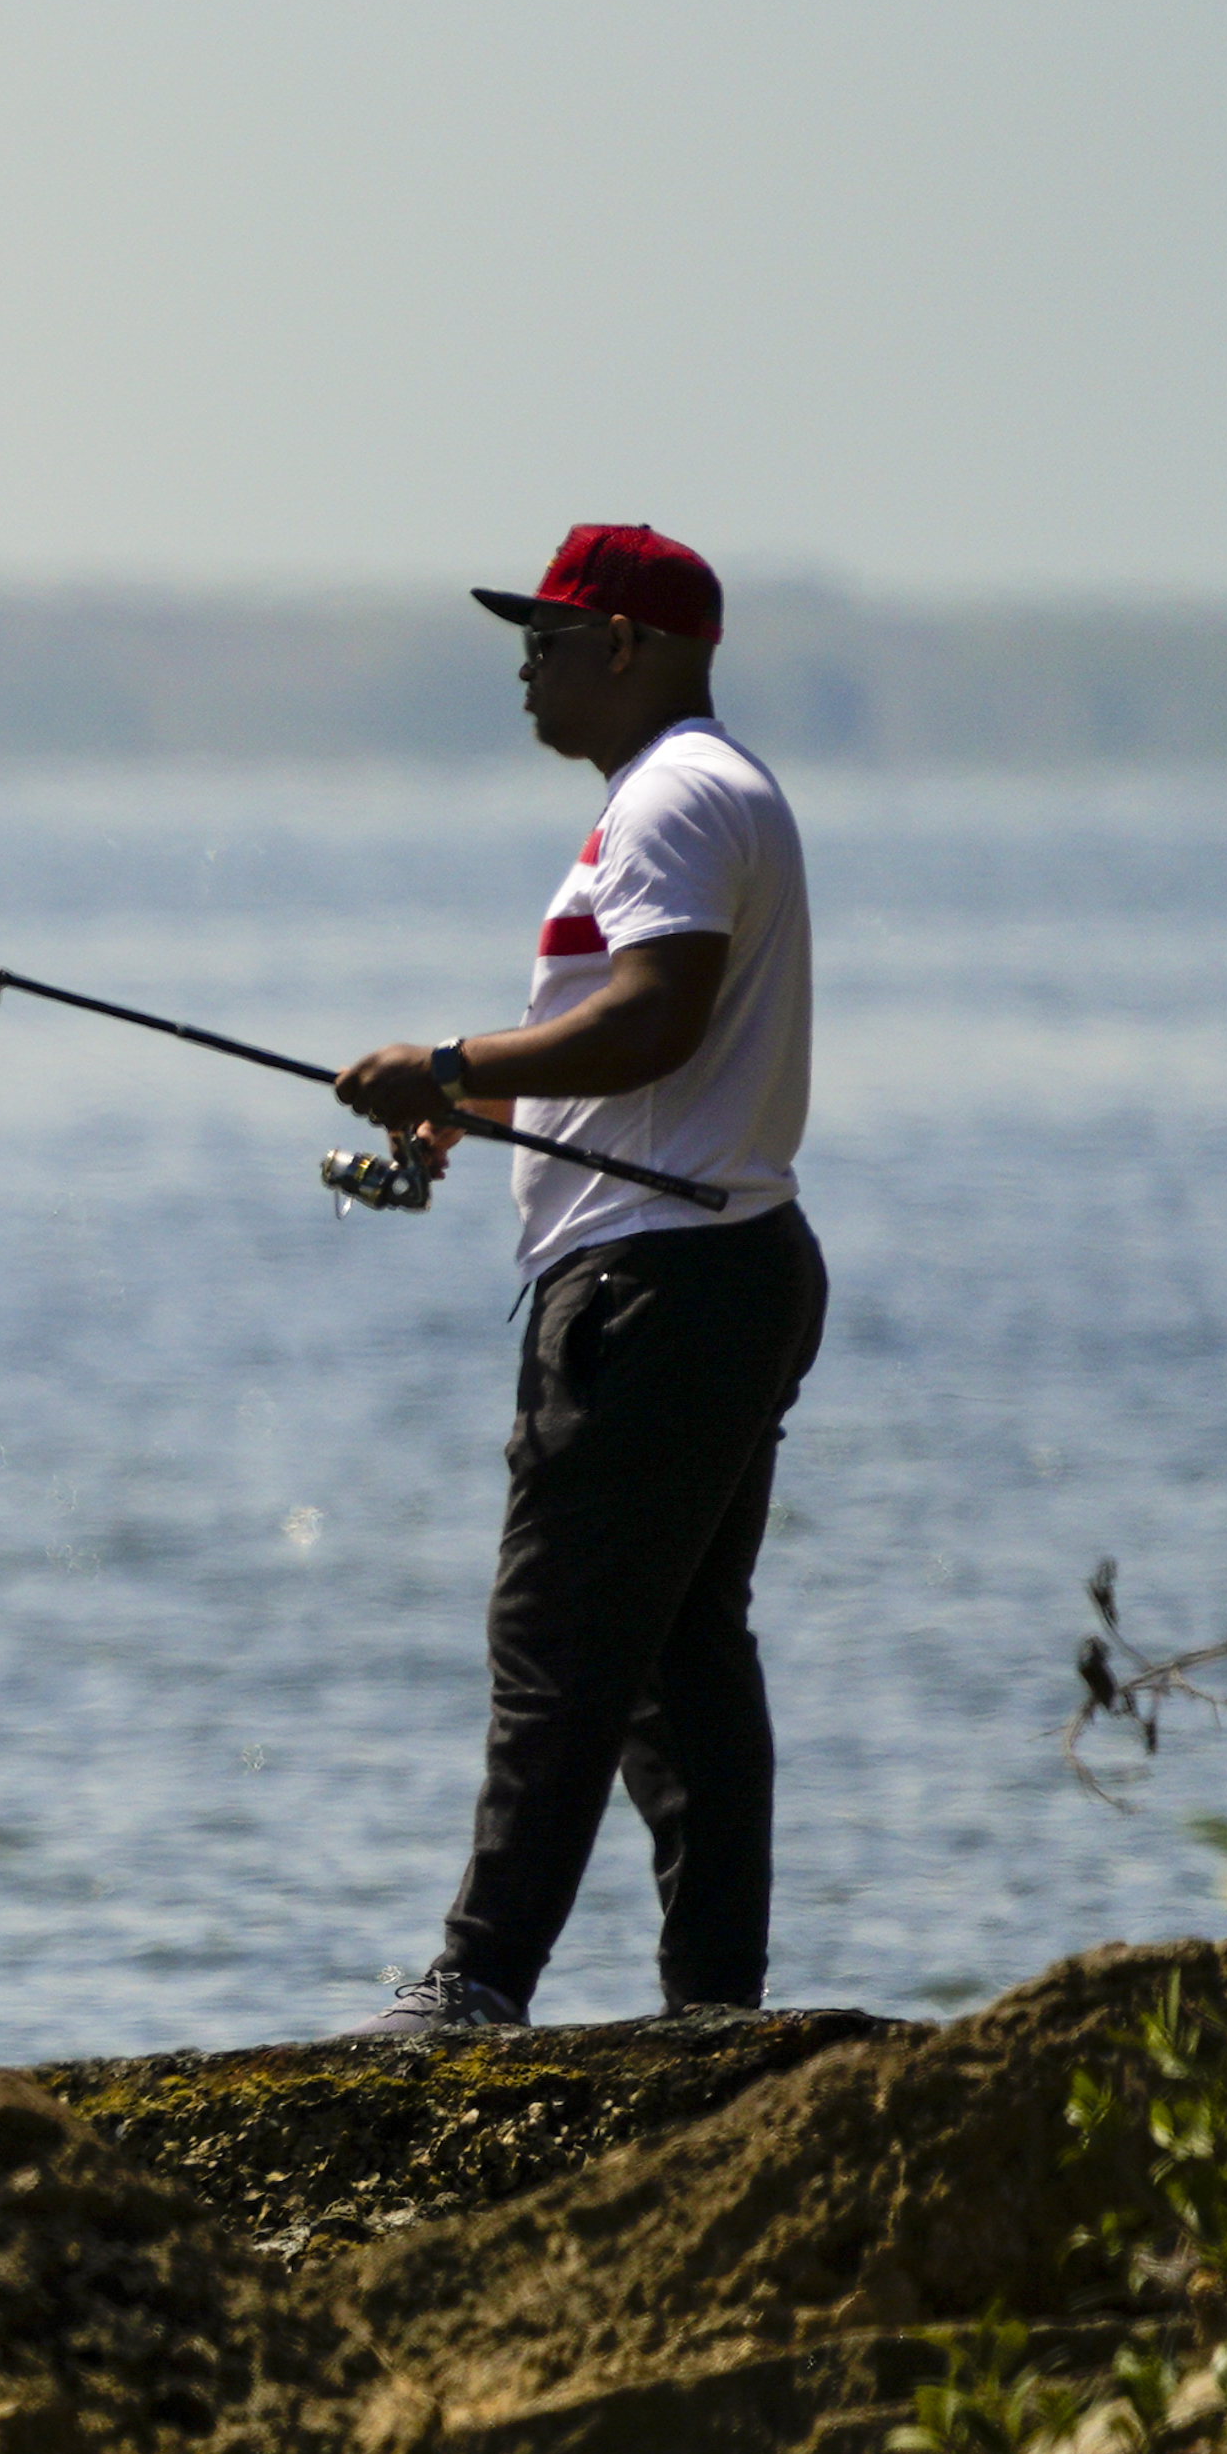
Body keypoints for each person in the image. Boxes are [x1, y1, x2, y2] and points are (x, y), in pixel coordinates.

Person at [330, 524, 828, 2036]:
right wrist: (469, 1110)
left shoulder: (674, 794)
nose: (525, 665)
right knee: (677, 1661)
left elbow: (653, 1019)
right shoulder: (694, 794)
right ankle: (714, 2014)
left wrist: (452, 1058)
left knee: (558, 1641)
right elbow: (634, 1059)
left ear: (627, 642)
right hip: (720, 1266)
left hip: (654, 1288)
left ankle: (476, 1983)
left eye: (546, 635)